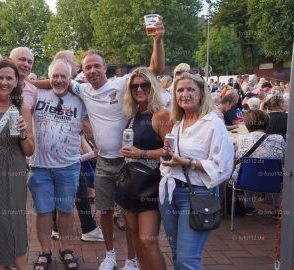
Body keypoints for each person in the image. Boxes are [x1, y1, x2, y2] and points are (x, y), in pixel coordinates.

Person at [71, 19, 165, 270]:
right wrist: (23, 83)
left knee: (129, 214)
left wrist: (157, 39)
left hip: (129, 162)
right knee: (104, 211)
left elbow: (154, 69)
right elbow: (54, 82)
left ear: (105, 67)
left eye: (96, 66)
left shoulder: (122, 83)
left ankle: (132, 260)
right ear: (83, 71)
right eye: (87, 67)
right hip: (103, 162)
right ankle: (110, 254)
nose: (92, 70)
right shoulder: (82, 89)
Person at [158, 72, 234, 269]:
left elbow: (223, 166)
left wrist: (186, 162)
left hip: (197, 194)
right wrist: (166, 159)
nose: (185, 94)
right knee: (176, 254)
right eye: (180, 90)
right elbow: (170, 153)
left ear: (201, 93)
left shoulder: (213, 123)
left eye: (190, 89)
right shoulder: (178, 123)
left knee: (187, 259)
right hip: (170, 192)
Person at [28, 59, 86, 270]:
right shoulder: (37, 93)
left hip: (68, 165)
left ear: (70, 78)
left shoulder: (80, 97)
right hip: (39, 165)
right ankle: (44, 251)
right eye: (55, 76)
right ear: (49, 76)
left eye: (64, 76)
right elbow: (23, 83)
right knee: (42, 211)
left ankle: (66, 248)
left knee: (65, 209)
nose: (59, 80)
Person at [0, 60, 34, 269]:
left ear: (16, 81)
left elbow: (30, 150)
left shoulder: (22, 107)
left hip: (16, 172)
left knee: (16, 223)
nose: (4, 82)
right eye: (0, 77)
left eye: (9, 78)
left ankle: (20, 263)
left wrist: (22, 134)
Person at [117, 67, 172, 270]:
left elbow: (170, 151)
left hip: (151, 186)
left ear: (153, 87)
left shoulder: (161, 115)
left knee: (148, 241)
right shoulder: (133, 115)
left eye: (144, 85)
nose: (139, 89)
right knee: (134, 236)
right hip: (131, 185)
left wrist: (141, 154)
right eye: (134, 86)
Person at [49, 50, 104, 243]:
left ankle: (59, 228)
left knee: (72, 187)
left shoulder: (70, 88)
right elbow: (83, 124)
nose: (78, 66)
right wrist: (97, 144)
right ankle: (86, 227)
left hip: (66, 149)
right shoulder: (71, 88)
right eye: (74, 62)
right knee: (78, 187)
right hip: (68, 151)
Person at [232, 109, 285, 217]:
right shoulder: (278, 139)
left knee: (246, 168)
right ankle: (277, 208)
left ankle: (249, 206)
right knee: (279, 170)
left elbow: (234, 157)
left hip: (245, 180)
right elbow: (285, 158)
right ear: (266, 122)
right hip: (273, 180)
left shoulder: (240, 139)